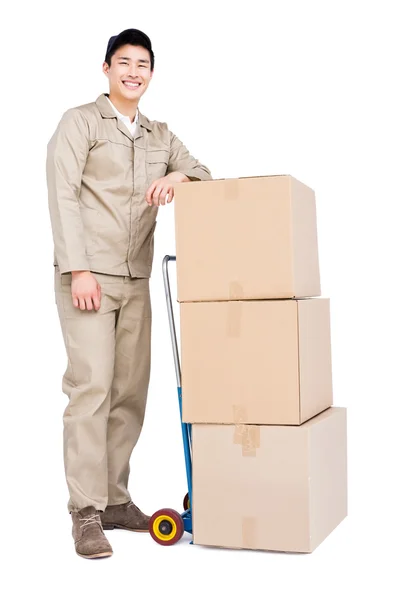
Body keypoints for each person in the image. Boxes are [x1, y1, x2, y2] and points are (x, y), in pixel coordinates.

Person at [46, 28, 212, 559]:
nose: (133, 72)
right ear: (106, 68)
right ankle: (86, 511)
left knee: (129, 393)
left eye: (142, 64)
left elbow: (205, 174)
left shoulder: (160, 134)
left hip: (136, 277)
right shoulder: (80, 123)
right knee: (91, 389)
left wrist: (180, 182)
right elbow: (63, 196)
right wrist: (78, 270)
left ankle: (116, 499)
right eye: (124, 62)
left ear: (151, 74)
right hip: (88, 278)